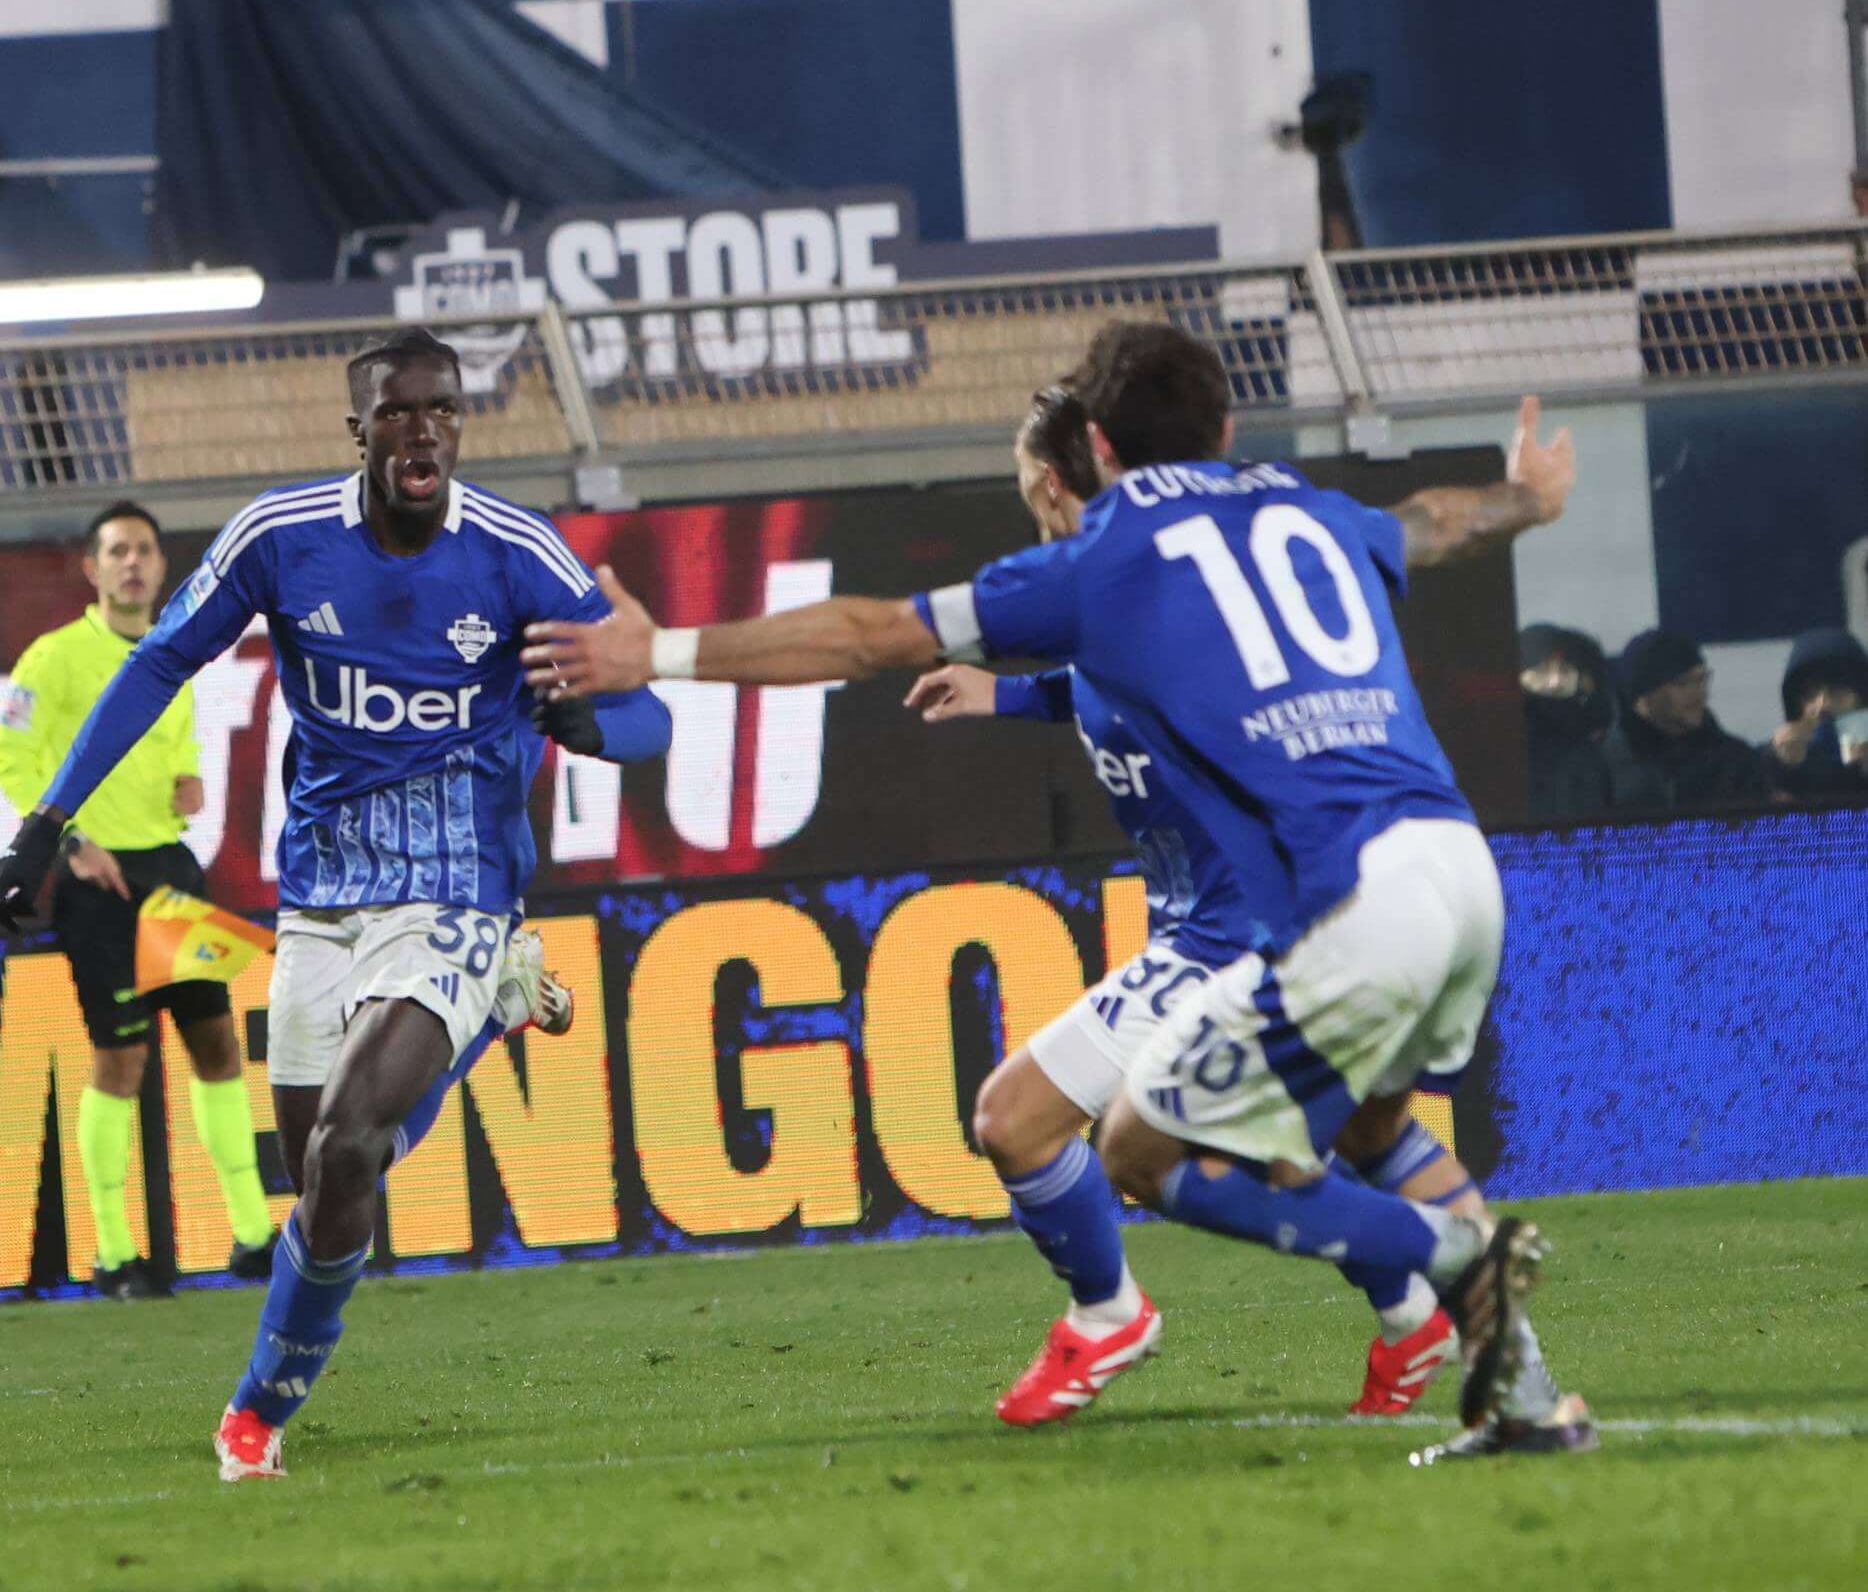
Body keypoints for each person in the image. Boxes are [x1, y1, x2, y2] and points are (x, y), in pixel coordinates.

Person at [525, 318, 1594, 1463]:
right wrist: (1521, 499)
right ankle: (1524, 1396)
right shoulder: (1307, 507)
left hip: (1339, 899)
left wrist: (662, 655)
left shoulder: (1105, 556)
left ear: (1087, 443)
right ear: (1226, 427)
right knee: (1375, 1122)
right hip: (1456, 861)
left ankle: (1448, 1264)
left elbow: (867, 632)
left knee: (1145, 1149)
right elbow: (1432, 523)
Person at [0, 329, 673, 1482]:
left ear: (458, 423)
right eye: (397, 415)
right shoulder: (279, 536)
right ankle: (494, 1011)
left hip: (458, 884)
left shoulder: (515, 552)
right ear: (359, 431)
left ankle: (255, 1410)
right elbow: (155, 666)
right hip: (320, 897)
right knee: (322, 1178)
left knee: (349, 1143)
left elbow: (646, 711)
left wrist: (596, 723)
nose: (422, 433)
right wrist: (42, 825)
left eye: (440, 412)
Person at [909, 385, 1576, 1428]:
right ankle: (1423, 1315)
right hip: (1284, 910)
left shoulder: (1144, 587)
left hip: (1232, 932)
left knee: (1016, 1119)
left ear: (1050, 479)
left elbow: (1172, 679)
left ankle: (1107, 1311)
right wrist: (1001, 692)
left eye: (1023, 483)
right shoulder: (1139, 590)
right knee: (1343, 1140)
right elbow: (1104, 680)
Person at [0, 502, 279, 1294]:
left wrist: (188, 779)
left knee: (218, 1042)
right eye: (116, 551)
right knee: (120, 1058)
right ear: (91, 568)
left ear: (161, 564)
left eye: (144, 550)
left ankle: (255, 1236)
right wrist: (70, 839)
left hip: (171, 874)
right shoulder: (51, 659)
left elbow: (178, 742)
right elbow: (9, 758)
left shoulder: (174, 647)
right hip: (97, 886)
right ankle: (116, 1253)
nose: (132, 564)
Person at [1600, 628, 1772, 810]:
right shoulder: (1602, 767)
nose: (1698, 692)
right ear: (1643, 696)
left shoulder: (1736, 761)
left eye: (1701, 679)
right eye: (1682, 683)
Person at [1515, 624, 1616, 820]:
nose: (1555, 682)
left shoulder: (1593, 749)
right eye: (1540, 670)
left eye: (1565, 670)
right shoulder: (1506, 749)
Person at [1762, 627, 1868, 805]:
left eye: (1837, 691)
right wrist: (1778, 769)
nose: (1822, 705)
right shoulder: (1768, 763)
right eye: (1810, 694)